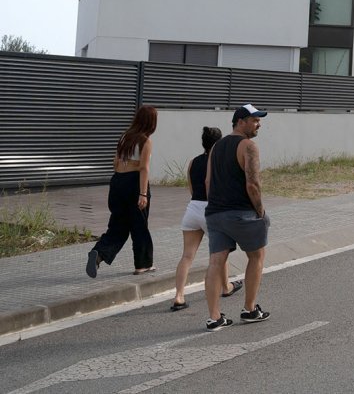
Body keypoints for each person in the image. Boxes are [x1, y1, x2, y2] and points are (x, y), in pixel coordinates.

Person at [204, 104, 272, 332]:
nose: (258, 124)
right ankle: (250, 309)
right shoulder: (248, 146)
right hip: (242, 213)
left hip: (215, 214)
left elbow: (207, 182)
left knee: (216, 262)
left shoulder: (216, 147)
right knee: (257, 256)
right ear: (240, 121)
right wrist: (260, 210)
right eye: (254, 120)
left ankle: (214, 317)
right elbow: (252, 184)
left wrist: (215, 206)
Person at [169, 126, 242, 311]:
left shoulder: (193, 162)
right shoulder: (221, 161)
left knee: (187, 256)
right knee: (220, 253)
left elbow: (192, 188)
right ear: (219, 142)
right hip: (211, 210)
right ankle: (226, 287)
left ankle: (178, 297)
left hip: (193, 208)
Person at [86, 105, 157, 277]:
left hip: (117, 182)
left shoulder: (125, 137)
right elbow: (144, 168)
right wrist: (142, 194)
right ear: (151, 122)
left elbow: (115, 163)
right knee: (139, 226)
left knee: (118, 225)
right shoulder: (145, 141)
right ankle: (142, 265)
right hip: (134, 183)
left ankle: (99, 253)